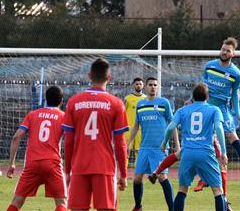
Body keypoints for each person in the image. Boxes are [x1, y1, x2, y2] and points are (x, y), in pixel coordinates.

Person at [62, 58, 129, 211]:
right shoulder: (116, 103)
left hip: (79, 166)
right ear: (109, 78)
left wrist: (67, 171)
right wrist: (123, 174)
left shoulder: (73, 102)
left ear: (89, 75)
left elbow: (68, 141)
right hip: (104, 167)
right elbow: (120, 143)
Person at [161, 83, 228, 211]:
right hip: (206, 153)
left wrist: (164, 143)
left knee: (182, 190)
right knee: (218, 190)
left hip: (187, 153)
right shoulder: (214, 110)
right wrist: (223, 152)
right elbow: (219, 128)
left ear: (192, 97)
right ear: (207, 96)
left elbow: (170, 127)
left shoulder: (182, 110)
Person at [202, 37, 240, 179]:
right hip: (207, 106)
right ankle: (204, 177)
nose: (224, 52)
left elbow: (234, 95)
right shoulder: (209, 66)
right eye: (223, 49)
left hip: (222, 108)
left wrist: (238, 114)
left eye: (228, 51)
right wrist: (193, 101)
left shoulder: (236, 74)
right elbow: (202, 87)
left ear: (233, 54)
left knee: (232, 136)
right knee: (206, 139)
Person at [6, 86, 67, 211]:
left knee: (17, 201)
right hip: (52, 163)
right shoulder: (63, 117)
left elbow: (16, 137)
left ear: (45, 99)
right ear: (61, 101)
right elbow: (72, 139)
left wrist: (12, 163)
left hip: (32, 163)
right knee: (61, 202)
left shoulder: (32, 115)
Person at [127, 77, 180, 211]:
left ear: (158, 87)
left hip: (159, 148)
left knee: (162, 177)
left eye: (155, 85)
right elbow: (136, 126)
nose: (153, 87)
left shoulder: (164, 103)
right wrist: (128, 143)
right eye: (150, 85)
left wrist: (177, 145)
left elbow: (172, 124)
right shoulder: (140, 104)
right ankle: (138, 206)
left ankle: (172, 208)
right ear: (146, 87)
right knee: (137, 178)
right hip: (144, 148)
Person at [124, 77, 147, 165]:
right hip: (129, 129)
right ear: (133, 85)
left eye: (140, 84)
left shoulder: (146, 99)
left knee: (139, 152)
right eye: (137, 84)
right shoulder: (128, 98)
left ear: (143, 85)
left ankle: (138, 173)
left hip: (141, 129)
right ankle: (124, 174)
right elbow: (123, 113)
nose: (138, 86)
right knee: (126, 150)